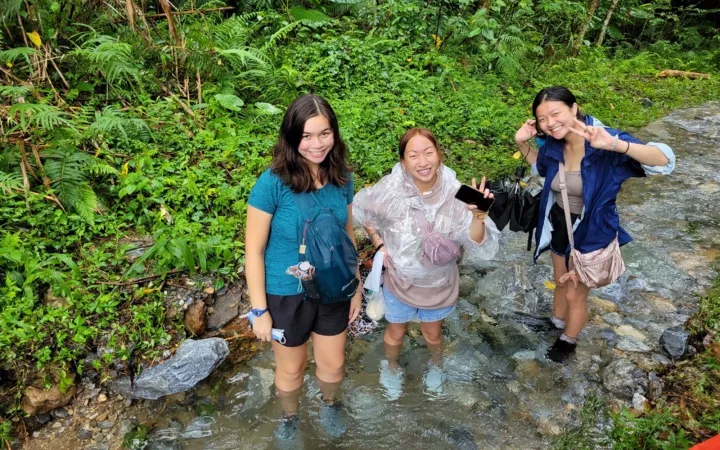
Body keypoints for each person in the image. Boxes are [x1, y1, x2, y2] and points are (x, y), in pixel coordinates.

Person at [514, 86, 675, 363]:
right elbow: (543, 170)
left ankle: (569, 340)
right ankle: (556, 321)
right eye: (542, 119)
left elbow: (664, 160)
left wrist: (615, 145)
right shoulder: (554, 142)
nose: (550, 123)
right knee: (560, 280)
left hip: (591, 230)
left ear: (574, 108)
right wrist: (522, 144)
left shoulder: (603, 141)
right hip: (559, 222)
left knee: (576, 294)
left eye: (556, 114)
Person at [245, 94, 362, 441]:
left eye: (324, 134)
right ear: (292, 137)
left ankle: (329, 404)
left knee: (334, 365)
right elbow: (253, 250)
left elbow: (347, 234)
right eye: (307, 136)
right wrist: (258, 310)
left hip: (333, 287)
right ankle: (289, 417)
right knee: (291, 369)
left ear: (334, 134)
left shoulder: (342, 178)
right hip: (286, 294)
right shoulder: (272, 183)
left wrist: (354, 287)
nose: (317, 144)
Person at [353, 128, 500, 399]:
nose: (423, 161)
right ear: (403, 161)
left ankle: (436, 365)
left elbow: (478, 243)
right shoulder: (390, 190)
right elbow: (361, 211)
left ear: (439, 154)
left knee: (433, 335)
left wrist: (479, 216)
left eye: (428, 152)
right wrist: (379, 243)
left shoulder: (462, 193)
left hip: (438, 283)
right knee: (395, 333)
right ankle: (392, 366)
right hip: (400, 281)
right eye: (413, 155)